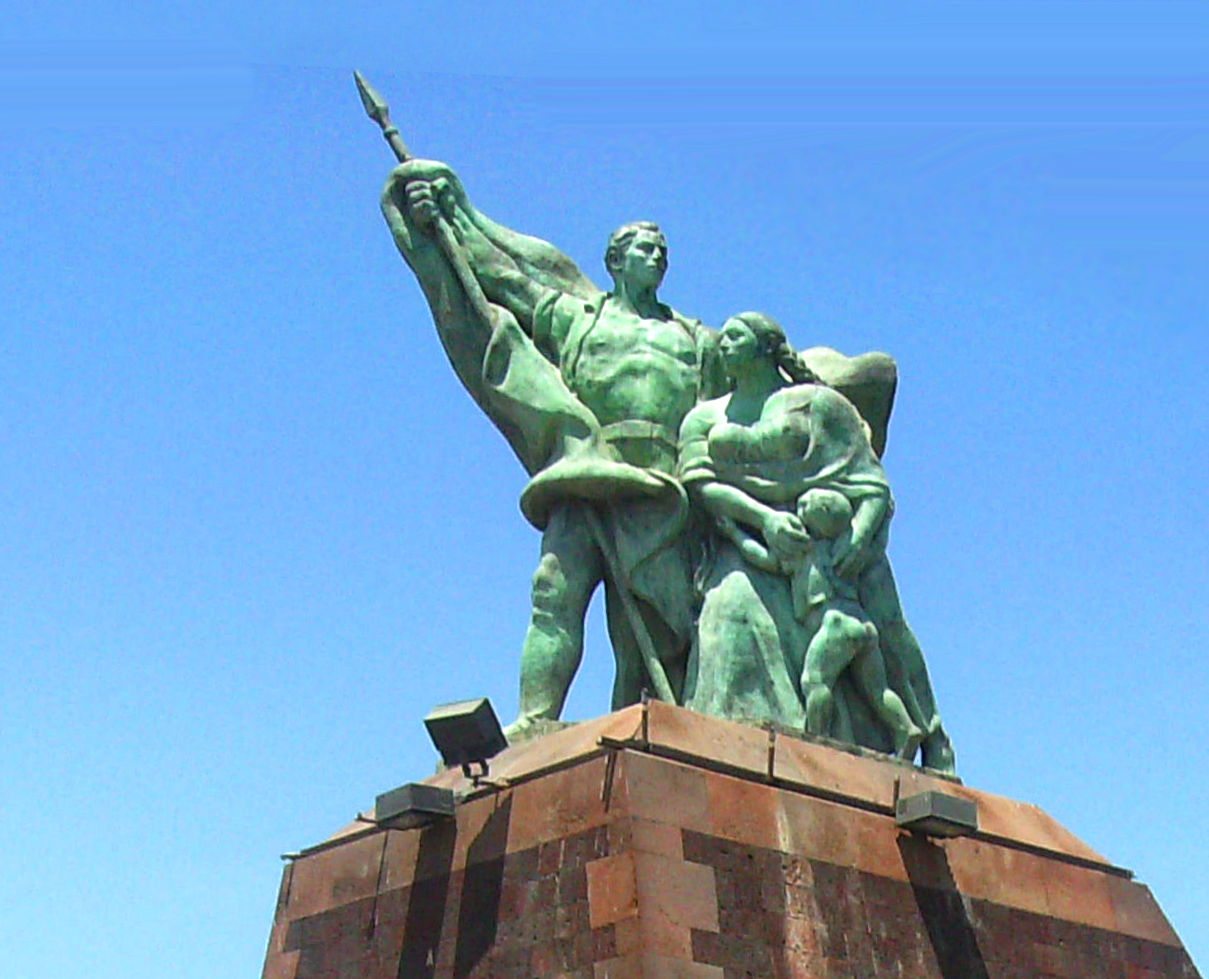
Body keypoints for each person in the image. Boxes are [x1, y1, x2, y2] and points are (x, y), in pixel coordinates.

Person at [379, 160, 713, 737]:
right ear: (615, 261)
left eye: (662, 250)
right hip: (586, 468)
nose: (657, 257)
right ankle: (536, 719)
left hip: (662, 494)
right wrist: (444, 224)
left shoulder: (695, 337)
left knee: (650, 636)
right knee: (554, 592)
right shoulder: (577, 318)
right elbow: (503, 280)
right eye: (644, 248)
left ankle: (650, 732)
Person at [677, 313, 954, 769]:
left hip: (841, 538)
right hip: (750, 531)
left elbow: (871, 484)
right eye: (721, 339)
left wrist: (858, 541)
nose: (723, 346)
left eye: (735, 337)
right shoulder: (702, 418)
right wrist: (764, 521)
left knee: (891, 630)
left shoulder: (818, 405)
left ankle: (934, 736)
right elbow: (700, 485)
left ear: (767, 347)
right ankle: (762, 747)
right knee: (726, 612)